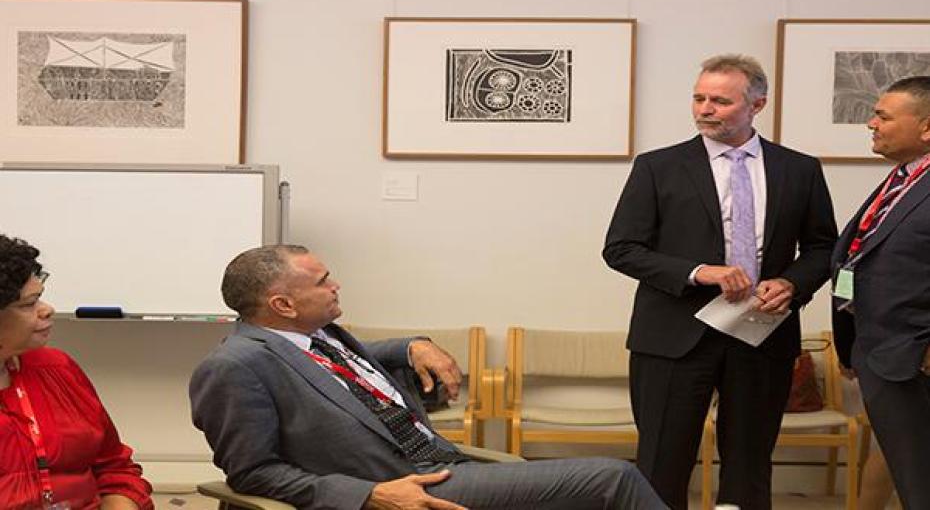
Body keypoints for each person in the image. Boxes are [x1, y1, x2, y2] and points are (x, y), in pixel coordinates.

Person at [190, 244, 667, 510]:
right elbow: (252, 472)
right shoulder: (234, 368)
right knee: (613, 478)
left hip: (449, 463)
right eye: (322, 282)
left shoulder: (320, 337)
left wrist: (413, 344)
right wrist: (370, 495)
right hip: (406, 482)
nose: (335, 286)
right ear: (283, 305)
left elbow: (345, 368)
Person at [603, 54, 837, 510]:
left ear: (757, 104)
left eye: (720, 101)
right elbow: (621, 248)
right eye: (699, 98)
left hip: (761, 334)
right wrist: (698, 272)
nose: (704, 109)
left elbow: (823, 248)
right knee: (662, 463)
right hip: (672, 337)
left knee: (750, 465)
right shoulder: (657, 166)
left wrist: (791, 284)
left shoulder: (800, 169)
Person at [831, 75, 930, 510]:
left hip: (914, 358)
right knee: (905, 470)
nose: (871, 123)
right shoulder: (902, 179)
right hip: (879, 352)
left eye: (883, 116)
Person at [0, 235, 153, 510]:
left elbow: (116, 470)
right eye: (28, 304)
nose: (47, 310)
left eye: (41, 298)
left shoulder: (57, 368)